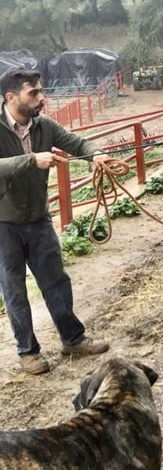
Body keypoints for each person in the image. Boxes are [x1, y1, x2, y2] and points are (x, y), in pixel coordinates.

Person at [0, 67, 111, 375]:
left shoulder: (44, 125)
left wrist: (96, 154)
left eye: (41, 91)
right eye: (33, 92)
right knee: (14, 289)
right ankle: (28, 352)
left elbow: (77, 143)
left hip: (38, 219)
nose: (41, 98)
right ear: (11, 98)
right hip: (4, 224)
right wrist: (31, 160)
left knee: (56, 281)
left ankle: (73, 339)